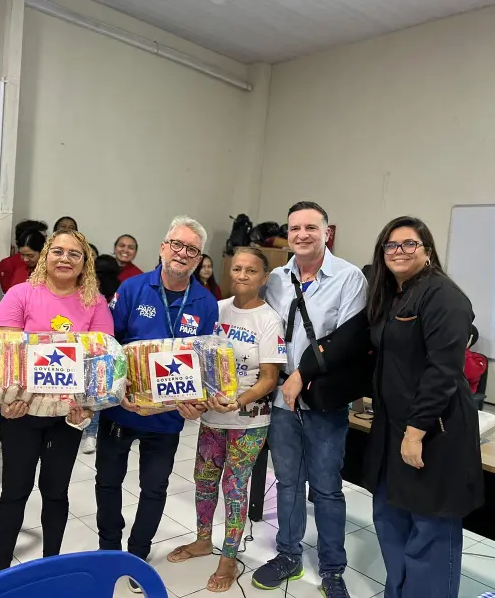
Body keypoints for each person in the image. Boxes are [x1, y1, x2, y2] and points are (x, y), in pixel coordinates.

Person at [96, 216, 218, 591]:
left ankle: (137, 554)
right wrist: (118, 391)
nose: (182, 253)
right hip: (122, 410)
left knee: (154, 487)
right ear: (164, 247)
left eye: (192, 249)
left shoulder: (206, 303)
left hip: (166, 419)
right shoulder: (133, 288)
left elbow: (204, 363)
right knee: (107, 482)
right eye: (176, 244)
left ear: (199, 258)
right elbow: (109, 345)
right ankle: (108, 551)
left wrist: (198, 401)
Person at [364, 216, 484, 598]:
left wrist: (415, 432)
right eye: (391, 245)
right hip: (391, 431)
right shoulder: (392, 295)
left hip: (433, 433)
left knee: (430, 530)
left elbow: (443, 370)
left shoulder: (444, 296)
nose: (399, 251)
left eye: (409, 243)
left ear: (427, 251)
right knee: (390, 519)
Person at [253, 201, 367, 597]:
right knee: (287, 482)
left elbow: (348, 342)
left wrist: (303, 374)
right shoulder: (276, 279)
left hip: (323, 398)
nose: (302, 235)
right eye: (295, 228)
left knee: (326, 488)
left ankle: (333, 569)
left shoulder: (349, 278)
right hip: (281, 398)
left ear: (326, 233)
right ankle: (288, 555)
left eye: (311, 228)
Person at [0, 229, 113, 571]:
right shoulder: (20, 294)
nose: (65, 258)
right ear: (45, 256)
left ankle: (50, 566)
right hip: (21, 412)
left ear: (85, 263)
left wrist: (87, 407)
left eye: (74, 254)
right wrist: (6, 402)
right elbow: (5, 356)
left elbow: (100, 362)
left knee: (55, 492)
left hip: (66, 417)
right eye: (57, 251)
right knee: (14, 491)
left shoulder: (95, 302)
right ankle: (2, 569)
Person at [167, 247, 286, 592]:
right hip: (212, 418)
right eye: (237, 269)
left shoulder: (269, 319)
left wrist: (237, 402)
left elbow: (269, 378)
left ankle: (229, 558)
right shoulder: (215, 310)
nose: (242, 275)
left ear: (264, 278)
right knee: (203, 481)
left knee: (234, 489)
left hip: (248, 421)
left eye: (251, 270)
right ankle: (203, 540)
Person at [80, 254, 123, 455]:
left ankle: (91, 433)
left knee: (95, 390)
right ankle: (89, 431)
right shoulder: (85, 291)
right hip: (85, 347)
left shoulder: (116, 295)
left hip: (102, 349)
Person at [0, 223, 47, 293]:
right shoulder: (20, 271)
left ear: (42, 252)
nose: (25, 259)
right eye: (22, 254)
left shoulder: (49, 272)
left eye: (30, 255)